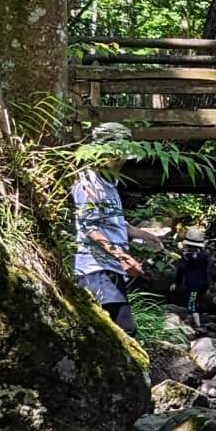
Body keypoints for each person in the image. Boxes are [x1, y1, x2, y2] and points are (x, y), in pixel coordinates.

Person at [71, 122, 142, 331]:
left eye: (124, 153)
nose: (121, 159)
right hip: (95, 269)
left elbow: (113, 222)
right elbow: (90, 227)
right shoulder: (88, 183)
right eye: (115, 153)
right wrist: (123, 256)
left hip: (110, 269)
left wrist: (143, 234)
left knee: (114, 332)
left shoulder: (110, 183)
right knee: (125, 330)